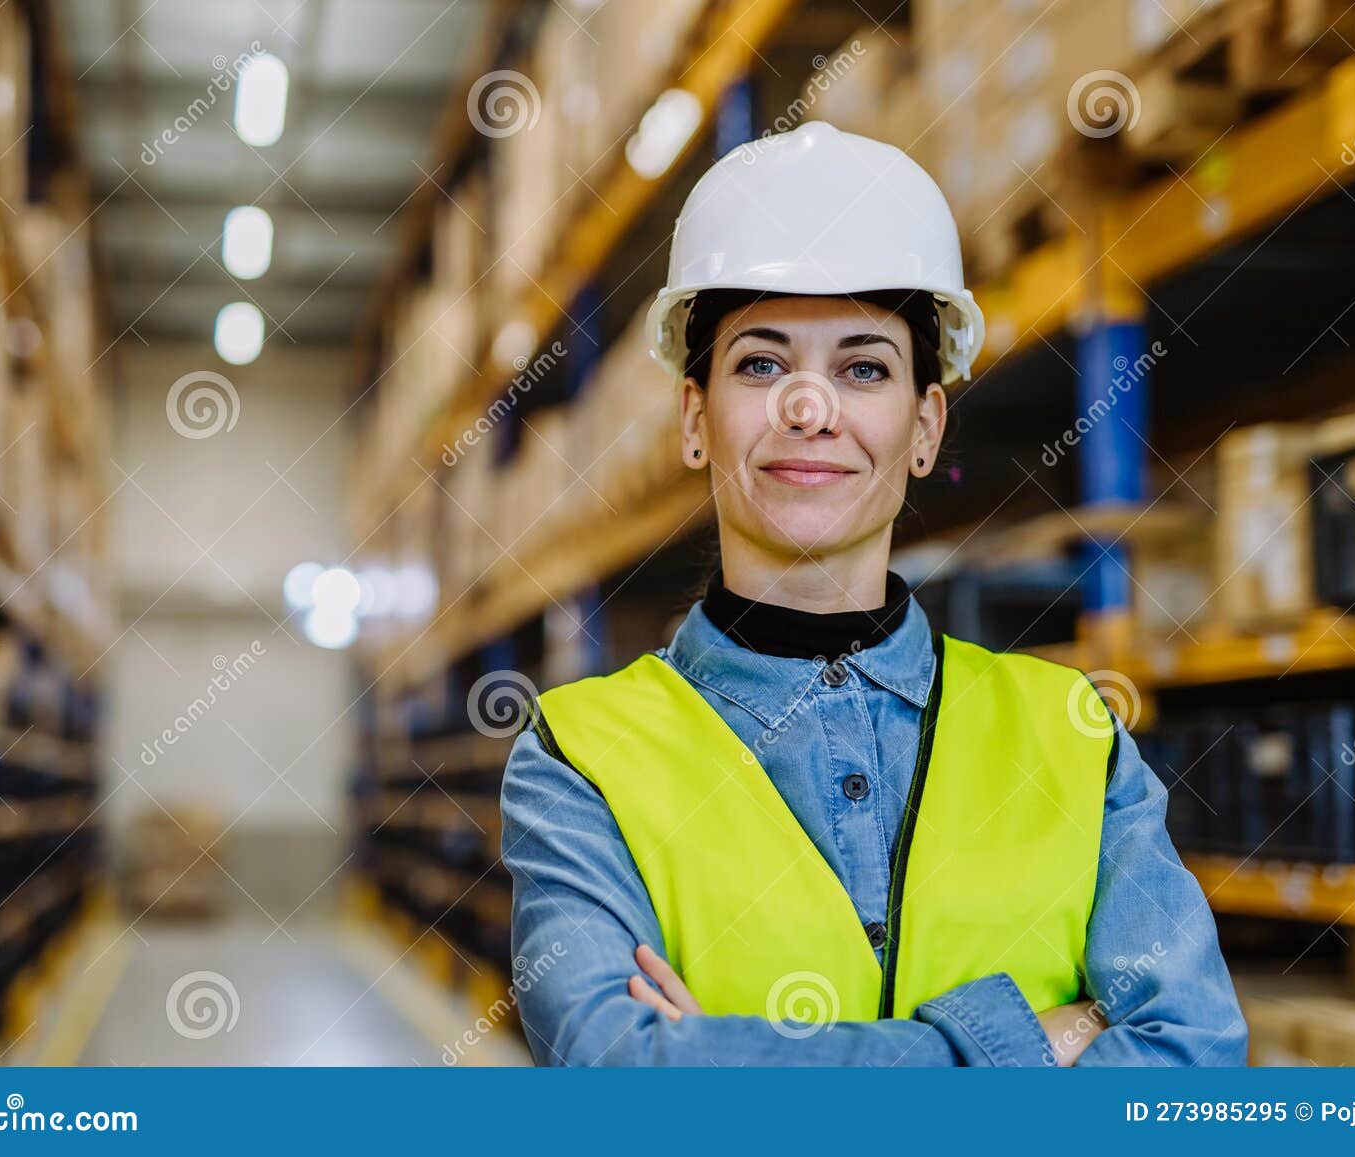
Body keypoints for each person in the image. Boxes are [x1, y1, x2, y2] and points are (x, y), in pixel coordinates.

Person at [499, 121, 1247, 1066]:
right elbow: (618, 1069)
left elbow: (1191, 1067)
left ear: (925, 426)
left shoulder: (1072, 735)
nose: (808, 409)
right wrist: (1016, 1047)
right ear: (696, 418)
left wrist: (722, 1063)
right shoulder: (579, 758)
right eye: (761, 363)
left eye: (863, 368)